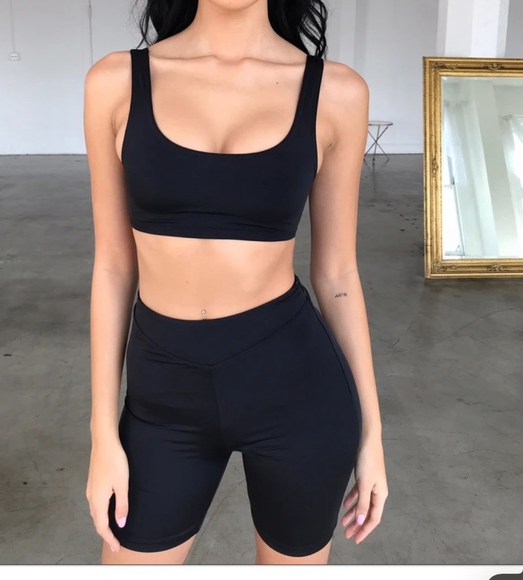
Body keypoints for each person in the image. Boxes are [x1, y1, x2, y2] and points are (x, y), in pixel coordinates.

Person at [83, 0, 388, 566]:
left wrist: (372, 433)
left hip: (296, 391)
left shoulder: (337, 92)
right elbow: (113, 267)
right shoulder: (116, 82)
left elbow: (338, 273)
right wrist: (103, 433)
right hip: (163, 397)